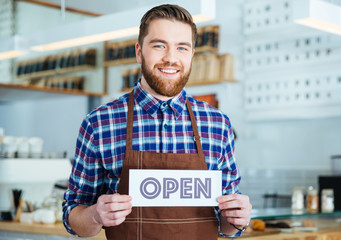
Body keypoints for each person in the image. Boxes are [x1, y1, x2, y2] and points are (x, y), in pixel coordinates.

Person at [63, 4, 251, 239]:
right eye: (159, 45)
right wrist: (95, 215)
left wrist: (237, 219)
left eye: (182, 47)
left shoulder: (218, 125)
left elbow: (227, 226)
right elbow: (73, 216)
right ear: (139, 51)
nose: (171, 58)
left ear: (192, 54)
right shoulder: (99, 123)